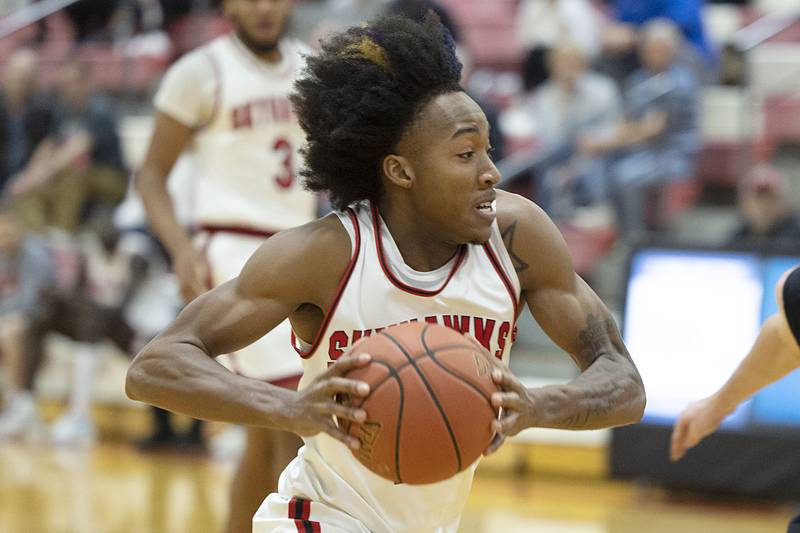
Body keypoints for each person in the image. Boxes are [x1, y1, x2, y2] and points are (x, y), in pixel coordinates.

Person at [126, 15, 645, 532]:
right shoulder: (326, 254)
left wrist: (540, 404)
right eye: (466, 154)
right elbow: (155, 366)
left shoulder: (518, 238)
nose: (492, 172)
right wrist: (289, 406)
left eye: (488, 149)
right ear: (401, 171)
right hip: (319, 518)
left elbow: (624, 382)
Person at [133, 0, 316, 531]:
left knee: (266, 425)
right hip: (234, 252)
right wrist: (180, 247)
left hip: (301, 249)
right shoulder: (199, 71)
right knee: (290, 415)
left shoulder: (309, 68)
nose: (262, 7)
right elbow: (151, 176)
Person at [8, 59, 128, 234]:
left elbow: (77, 149)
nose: (67, 89)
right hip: (72, 171)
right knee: (29, 190)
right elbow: (48, 145)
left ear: (86, 82)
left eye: (72, 83)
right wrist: (28, 177)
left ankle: (62, 234)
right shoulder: (64, 109)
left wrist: (42, 174)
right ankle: (38, 236)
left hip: (110, 177)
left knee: (73, 173)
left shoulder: (99, 109)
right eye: (64, 84)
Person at [0, 214, 55, 438]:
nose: (5, 238)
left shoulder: (36, 255)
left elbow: (29, 302)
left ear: (20, 230)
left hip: (39, 318)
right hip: (7, 317)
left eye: (9, 233)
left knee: (10, 329)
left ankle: (17, 401)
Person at [726, 164, 800, 248]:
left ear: (784, 202)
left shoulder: (796, 238)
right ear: (744, 203)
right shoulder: (736, 239)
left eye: (770, 199)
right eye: (757, 199)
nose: (764, 206)